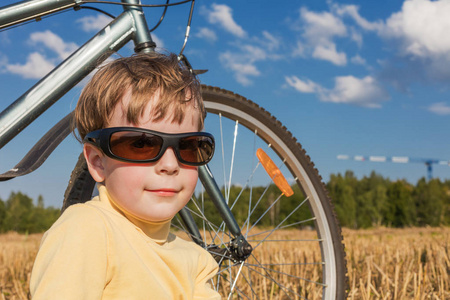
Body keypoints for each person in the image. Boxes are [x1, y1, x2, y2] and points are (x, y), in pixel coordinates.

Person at [30, 53, 221, 299]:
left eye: (188, 146)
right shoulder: (87, 230)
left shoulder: (197, 260)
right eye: (141, 145)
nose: (170, 165)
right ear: (98, 162)